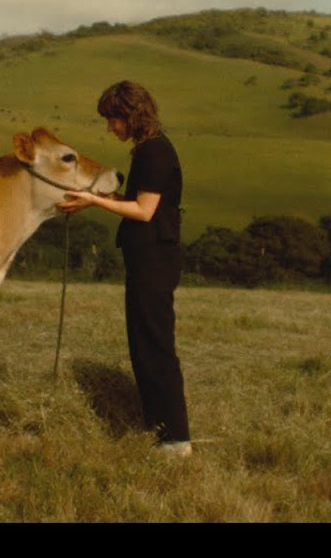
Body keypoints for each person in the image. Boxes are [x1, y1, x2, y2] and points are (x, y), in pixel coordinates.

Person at [58, 81, 193, 457]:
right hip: (148, 258)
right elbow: (136, 199)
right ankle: (159, 428)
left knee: (155, 347)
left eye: (113, 119)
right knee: (144, 343)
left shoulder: (154, 153)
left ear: (130, 115)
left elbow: (143, 211)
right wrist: (91, 200)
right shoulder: (149, 149)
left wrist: (93, 201)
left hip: (154, 260)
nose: (110, 127)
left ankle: (175, 438)